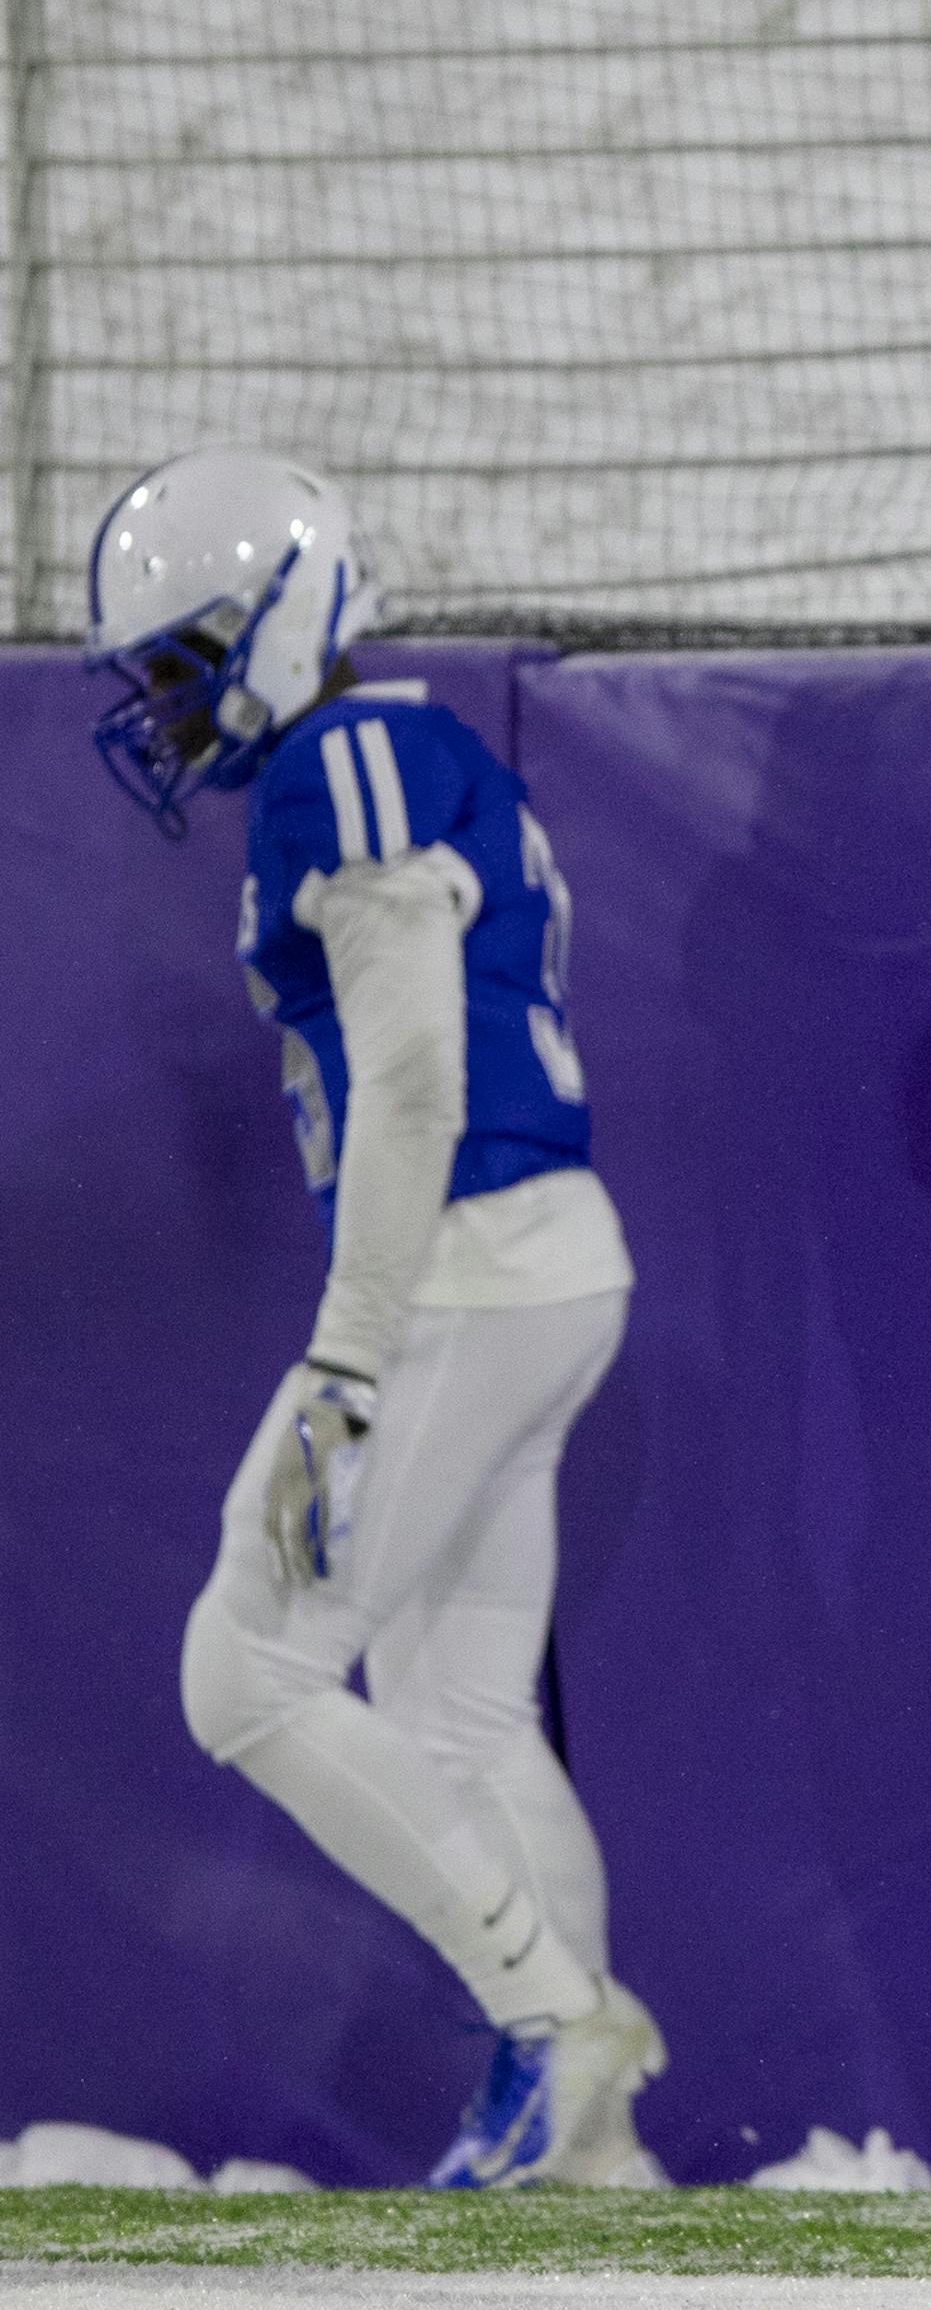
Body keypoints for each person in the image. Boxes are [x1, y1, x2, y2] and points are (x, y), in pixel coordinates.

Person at [84, 444, 664, 2188]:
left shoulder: (345, 758)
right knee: (456, 1720)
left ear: (282, 619)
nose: (172, 712)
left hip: (467, 1260)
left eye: (188, 663)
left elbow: (413, 1075)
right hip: (542, 1257)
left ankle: (553, 2021)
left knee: (240, 1666)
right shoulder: (396, 755)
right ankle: (596, 2147)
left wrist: (347, 1356)